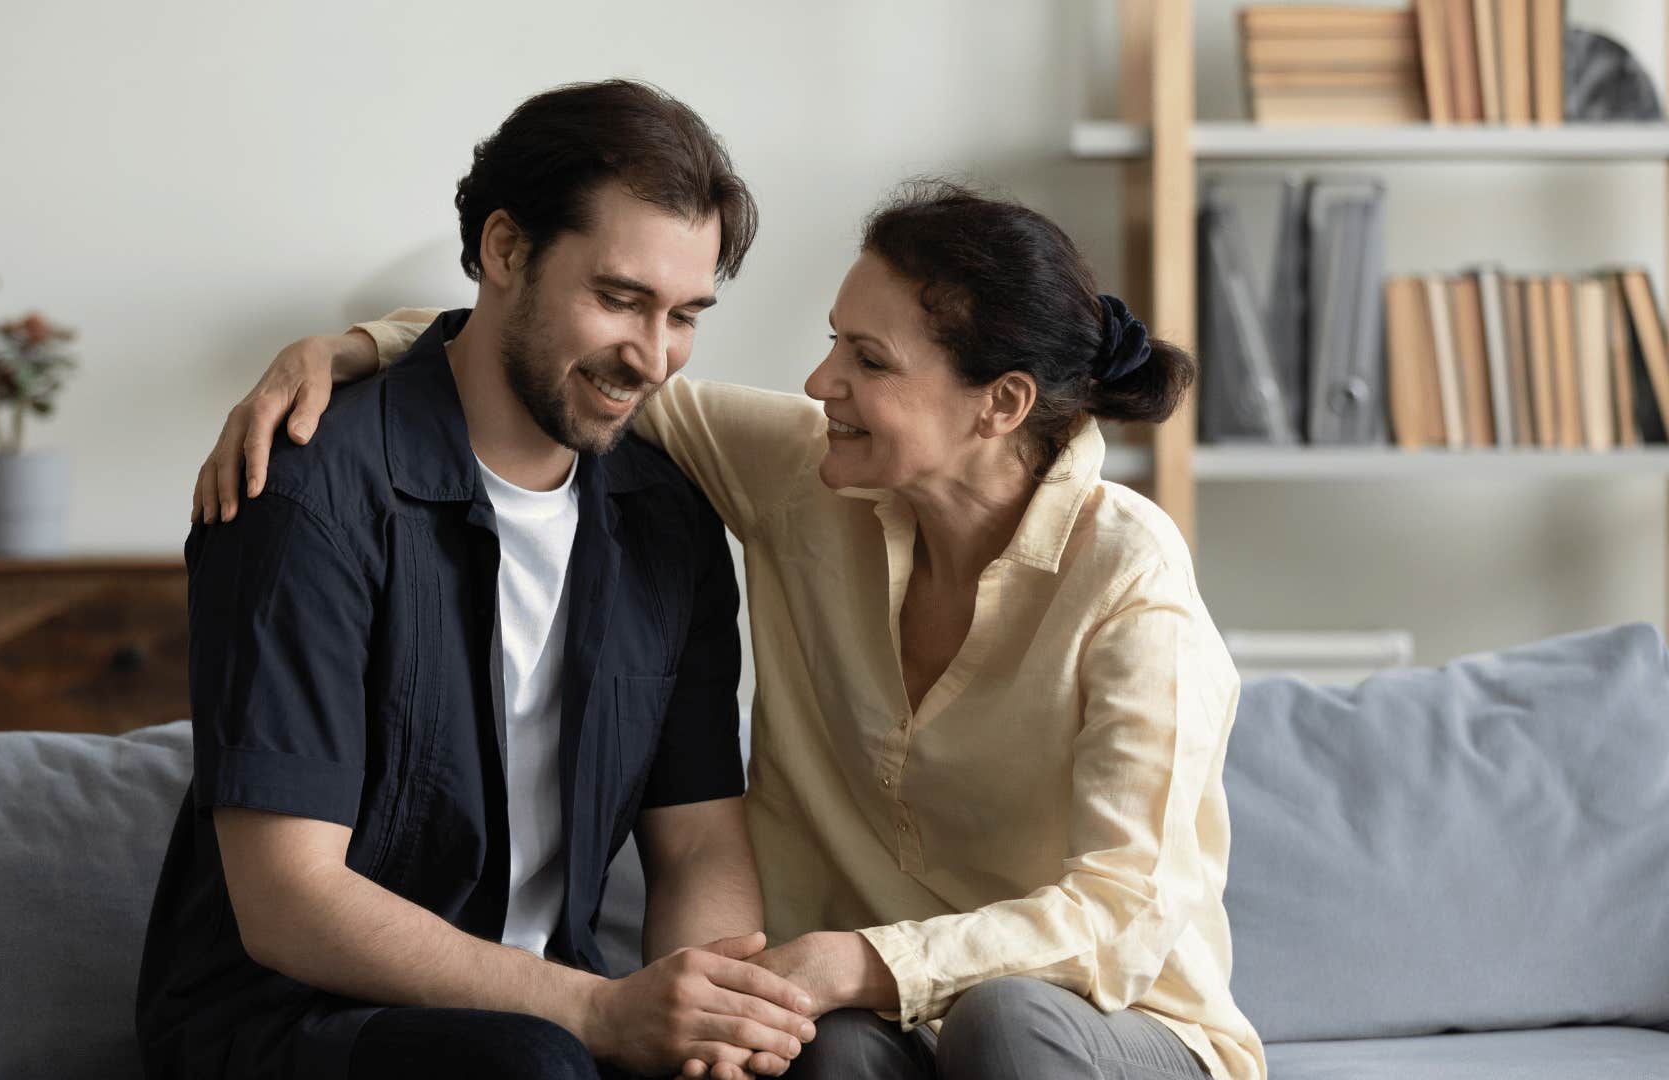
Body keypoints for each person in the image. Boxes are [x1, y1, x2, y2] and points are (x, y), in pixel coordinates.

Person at [199, 182, 1267, 1080]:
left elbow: (1124, 912)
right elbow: (591, 370)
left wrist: (857, 960)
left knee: (1006, 1024)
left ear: (999, 405)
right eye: (831, 343)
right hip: (876, 1019)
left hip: (1108, 1024)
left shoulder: (1131, 578)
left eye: (869, 361)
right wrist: (346, 351)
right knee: (826, 1057)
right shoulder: (809, 476)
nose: (820, 383)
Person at [137, 79, 828, 1080]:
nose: (653, 357)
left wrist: (703, 1030)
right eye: (619, 299)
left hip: (556, 1017)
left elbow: (700, 846)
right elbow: (289, 902)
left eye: (685, 315)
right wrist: (601, 1013)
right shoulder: (307, 494)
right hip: (295, 1028)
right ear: (505, 251)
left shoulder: (668, 519)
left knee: (818, 1058)